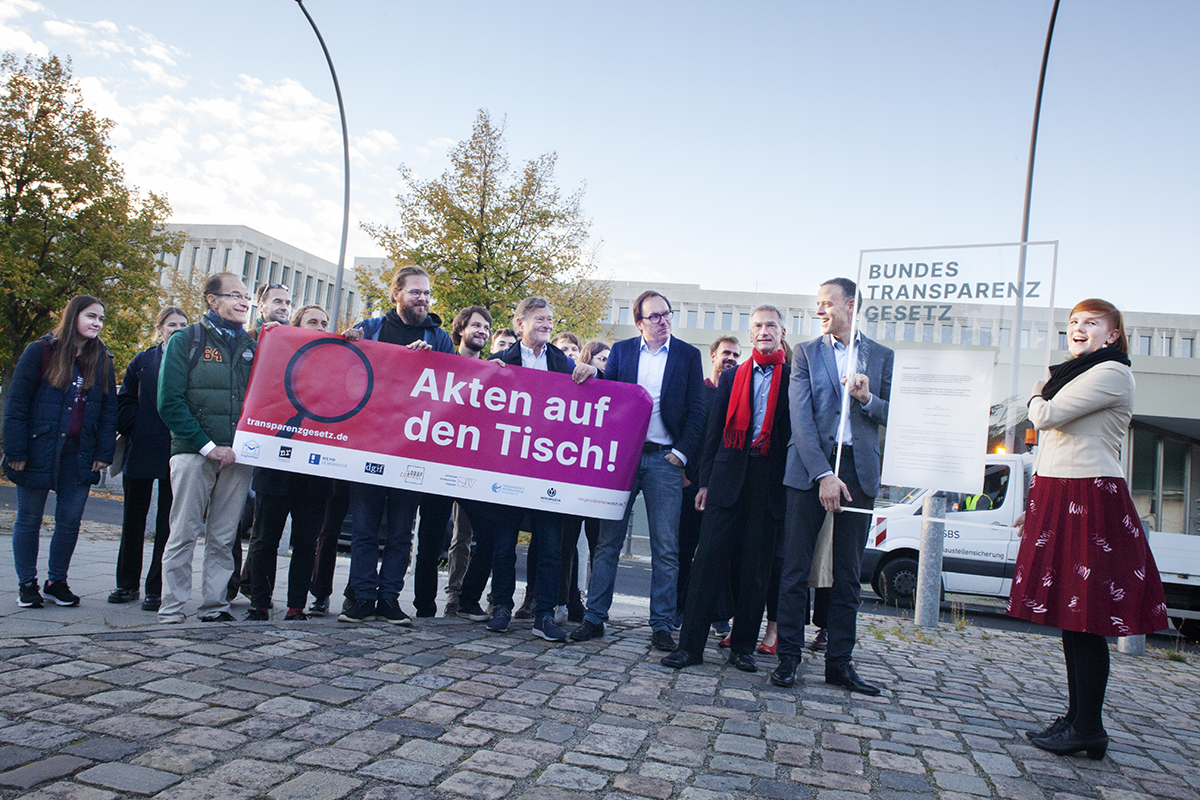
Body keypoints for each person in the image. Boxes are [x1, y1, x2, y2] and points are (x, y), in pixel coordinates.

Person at [1008, 298, 1167, 760]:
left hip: (1090, 494)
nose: (1078, 328)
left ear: (1112, 334)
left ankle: (1089, 728)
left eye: (1091, 322)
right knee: (1070, 616)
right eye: (1074, 321)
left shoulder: (1112, 372)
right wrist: (1035, 504)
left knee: (1087, 617)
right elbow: (1052, 448)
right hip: (1062, 490)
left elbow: (1045, 417)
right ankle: (1078, 719)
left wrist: (1037, 393)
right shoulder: (1077, 374)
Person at [771, 277, 892, 694]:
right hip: (809, 471)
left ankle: (840, 663)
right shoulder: (806, 353)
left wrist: (867, 399)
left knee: (848, 575)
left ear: (851, 305)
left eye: (827, 303)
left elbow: (895, 413)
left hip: (860, 472)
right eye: (818, 304)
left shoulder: (882, 356)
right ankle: (788, 659)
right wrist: (823, 474)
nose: (820, 310)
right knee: (794, 569)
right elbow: (800, 420)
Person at [571, 290, 706, 651]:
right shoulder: (623, 351)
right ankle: (594, 617)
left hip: (665, 459)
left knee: (666, 548)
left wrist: (681, 454)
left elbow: (697, 410)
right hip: (624, 459)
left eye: (667, 314)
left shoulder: (687, 355)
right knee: (607, 543)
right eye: (655, 316)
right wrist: (592, 372)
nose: (663, 321)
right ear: (639, 322)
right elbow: (609, 397)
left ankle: (661, 624)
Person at [457, 298, 598, 641]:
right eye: (540, 319)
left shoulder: (563, 363)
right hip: (509, 469)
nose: (547, 325)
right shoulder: (500, 361)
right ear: (520, 323)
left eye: (550, 319)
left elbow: (598, 395)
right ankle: (502, 608)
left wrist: (593, 373)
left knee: (550, 545)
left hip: (549, 470)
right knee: (504, 543)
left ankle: (544, 614)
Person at [663, 306, 790, 673]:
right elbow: (714, 432)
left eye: (771, 325)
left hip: (769, 481)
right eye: (758, 326)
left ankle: (743, 649)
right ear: (751, 334)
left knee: (755, 568)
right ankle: (689, 648)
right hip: (726, 477)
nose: (764, 331)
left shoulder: (795, 377)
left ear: (782, 332)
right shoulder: (733, 377)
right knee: (707, 562)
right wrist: (704, 482)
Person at [338, 265, 454, 624]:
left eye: (427, 293)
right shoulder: (371, 329)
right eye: (415, 291)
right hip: (369, 443)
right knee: (365, 528)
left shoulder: (439, 338)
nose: (423, 298)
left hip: (412, 449)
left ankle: (389, 598)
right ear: (396, 294)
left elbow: (453, 386)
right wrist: (347, 343)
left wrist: (431, 360)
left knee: (402, 532)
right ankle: (362, 597)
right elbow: (345, 373)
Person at [156, 272, 257, 623]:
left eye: (247, 297)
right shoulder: (186, 340)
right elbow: (169, 402)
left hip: (238, 457)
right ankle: (172, 607)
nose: (244, 302)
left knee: (223, 537)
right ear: (212, 300)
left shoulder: (252, 345)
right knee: (183, 533)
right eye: (235, 295)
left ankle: (215, 606)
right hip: (193, 452)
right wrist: (207, 446)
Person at [4, 295, 117, 608]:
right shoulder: (40, 351)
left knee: (69, 521)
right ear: (74, 316)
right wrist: (15, 450)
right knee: (29, 518)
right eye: (91, 316)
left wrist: (103, 453)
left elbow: (109, 410)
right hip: (39, 447)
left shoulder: (102, 358)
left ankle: (57, 581)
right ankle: (27, 584)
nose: (97, 323)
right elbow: (17, 403)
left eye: (101, 318)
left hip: (80, 453)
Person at [246, 305, 336, 622]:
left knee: (306, 544)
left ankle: (296, 605)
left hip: (314, 472)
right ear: (296, 326)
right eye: (313, 321)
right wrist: (269, 334)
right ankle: (259, 603)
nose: (320, 327)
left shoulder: (336, 365)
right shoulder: (277, 355)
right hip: (275, 466)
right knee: (265, 540)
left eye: (325, 323)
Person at [108, 306, 189, 610]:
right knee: (133, 519)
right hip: (142, 445)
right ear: (159, 329)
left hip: (177, 447)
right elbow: (124, 399)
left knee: (169, 523)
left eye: (183, 325)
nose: (177, 330)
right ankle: (126, 584)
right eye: (172, 324)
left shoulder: (194, 361)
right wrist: (136, 423)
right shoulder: (142, 360)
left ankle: (156, 588)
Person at [679, 335, 741, 633]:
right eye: (726, 353)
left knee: (718, 553)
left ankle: (718, 615)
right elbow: (684, 431)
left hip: (722, 487)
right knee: (683, 550)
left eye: (736, 355)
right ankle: (679, 609)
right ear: (713, 355)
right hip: (690, 484)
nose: (731, 358)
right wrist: (683, 474)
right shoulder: (697, 391)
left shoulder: (739, 396)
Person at [443, 305, 494, 617]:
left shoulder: (492, 371)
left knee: (476, 535)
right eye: (476, 325)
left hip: (473, 468)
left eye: (486, 328)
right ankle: (434, 602)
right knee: (439, 536)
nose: (482, 332)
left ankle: (465, 597)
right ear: (461, 328)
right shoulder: (443, 362)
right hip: (439, 463)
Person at [556, 340, 611, 623]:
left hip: (600, 480)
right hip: (572, 477)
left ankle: (596, 605)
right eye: (601, 359)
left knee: (599, 544)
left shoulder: (612, 390)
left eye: (608, 359)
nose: (606, 364)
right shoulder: (572, 387)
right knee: (566, 542)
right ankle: (565, 599)